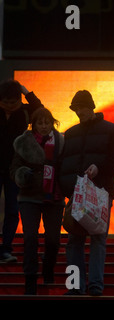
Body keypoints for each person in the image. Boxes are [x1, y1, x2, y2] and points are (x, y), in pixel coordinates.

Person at [59, 90, 114, 296]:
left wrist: (99, 168)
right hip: (77, 194)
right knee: (74, 241)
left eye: (82, 108)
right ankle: (76, 287)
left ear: (92, 107)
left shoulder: (112, 130)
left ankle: (95, 286)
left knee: (97, 239)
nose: (79, 112)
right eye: (76, 108)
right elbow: (64, 165)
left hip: (101, 193)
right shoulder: (70, 134)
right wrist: (67, 190)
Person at [10, 107, 64, 294]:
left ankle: (48, 267)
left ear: (52, 123)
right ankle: (30, 280)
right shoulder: (23, 143)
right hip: (29, 196)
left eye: (46, 122)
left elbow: (67, 167)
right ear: (34, 124)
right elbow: (14, 169)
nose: (43, 126)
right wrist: (23, 175)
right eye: (40, 123)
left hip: (54, 197)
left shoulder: (61, 142)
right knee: (30, 238)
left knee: (53, 240)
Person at [0, 79, 43, 262]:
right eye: (6, 102)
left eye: (13, 102)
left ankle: (5, 249)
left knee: (12, 208)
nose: (10, 106)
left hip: (14, 168)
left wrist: (26, 92)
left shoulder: (25, 111)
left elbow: (40, 109)